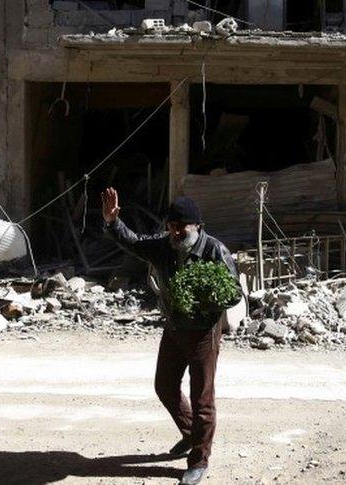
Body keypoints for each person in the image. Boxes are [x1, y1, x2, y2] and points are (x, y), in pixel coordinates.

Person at [101, 187, 238, 485]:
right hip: (175, 328)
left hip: (203, 333)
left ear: (197, 226)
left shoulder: (215, 251)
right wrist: (113, 222)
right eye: (172, 227)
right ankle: (191, 436)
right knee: (164, 385)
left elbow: (234, 294)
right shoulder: (164, 247)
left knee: (202, 398)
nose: (175, 232)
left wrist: (205, 299)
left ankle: (199, 461)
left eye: (181, 227)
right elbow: (133, 242)